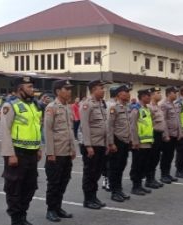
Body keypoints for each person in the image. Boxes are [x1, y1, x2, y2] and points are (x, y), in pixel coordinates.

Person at [0, 76, 42, 225]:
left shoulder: (33, 105)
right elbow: (5, 131)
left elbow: (36, 128)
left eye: (32, 86)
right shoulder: (10, 105)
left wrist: (38, 148)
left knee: (30, 186)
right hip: (17, 153)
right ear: (20, 89)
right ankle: (16, 219)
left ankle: (23, 215)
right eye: (29, 87)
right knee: (14, 187)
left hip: (31, 152)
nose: (33, 89)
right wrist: (10, 154)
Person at [44, 79, 76, 222]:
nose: (69, 91)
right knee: (54, 182)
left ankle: (58, 207)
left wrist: (73, 149)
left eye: (70, 89)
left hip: (67, 151)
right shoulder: (52, 107)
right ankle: (51, 210)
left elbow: (70, 130)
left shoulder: (68, 107)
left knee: (64, 180)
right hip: (56, 153)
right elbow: (48, 130)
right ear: (58, 91)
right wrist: (50, 152)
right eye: (66, 89)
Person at [79, 80, 108, 210]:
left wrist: (107, 143)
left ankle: (93, 196)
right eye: (101, 88)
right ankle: (87, 199)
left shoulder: (101, 104)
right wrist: (88, 146)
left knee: (96, 172)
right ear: (94, 90)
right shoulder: (87, 104)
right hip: (91, 144)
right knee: (89, 173)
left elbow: (104, 125)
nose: (103, 90)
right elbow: (84, 126)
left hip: (100, 144)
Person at [107, 84, 132, 202]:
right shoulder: (113, 107)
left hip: (125, 140)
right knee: (115, 167)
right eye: (125, 92)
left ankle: (119, 189)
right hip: (117, 140)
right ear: (119, 94)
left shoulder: (126, 107)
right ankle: (114, 191)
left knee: (121, 166)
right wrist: (111, 143)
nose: (128, 94)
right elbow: (110, 126)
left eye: (128, 92)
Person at [130, 88, 154, 195]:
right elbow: (133, 126)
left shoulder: (146, 109)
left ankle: (140, 185)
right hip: (139, 143)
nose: (150, 97)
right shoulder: (136, 109)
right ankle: (135, 187)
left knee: (144, 165)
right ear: (143, 97)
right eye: (148, 96)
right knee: (137, 165)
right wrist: (135, 141)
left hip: (147, 142)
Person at [159, 86, 181, 184]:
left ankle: (167, 174)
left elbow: (177, 120)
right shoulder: (164, 105)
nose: (176, 94)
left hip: (175, 134)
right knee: (166, 156)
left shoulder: (175, 105)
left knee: (171, 155)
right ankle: (163, 175)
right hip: (168, 135)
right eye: (174, 93)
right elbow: (163, 121)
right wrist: (165, 135)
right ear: (169, 93)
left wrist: (180, 132)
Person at [145, 87, 165, 189]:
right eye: (158, 93)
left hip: (159, 135)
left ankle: (152, 178)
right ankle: (149, 179)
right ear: (152, 95)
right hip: (153, 134)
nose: (160, 95)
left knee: (156, 157)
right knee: (151, 158)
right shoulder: (149, 107)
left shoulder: (158, 106)